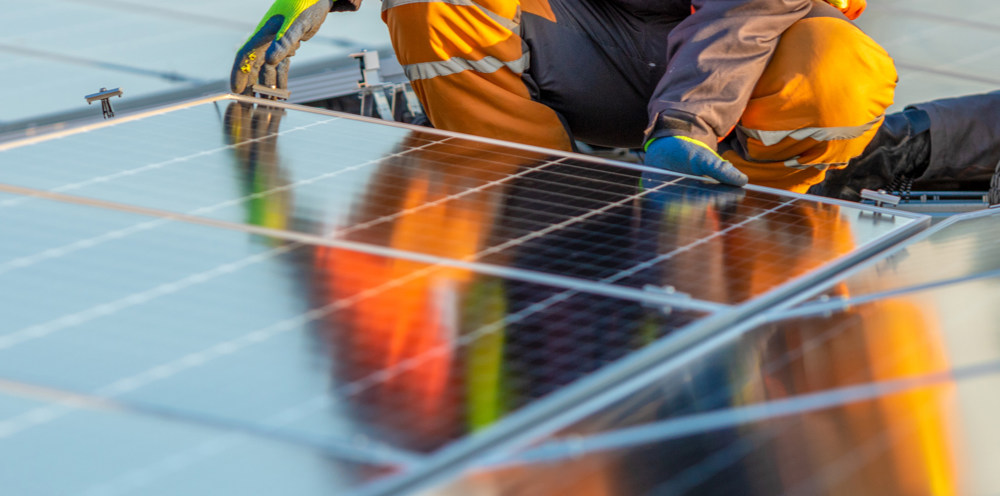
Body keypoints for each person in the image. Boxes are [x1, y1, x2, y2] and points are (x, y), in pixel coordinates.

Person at [230, 0, 895, 194]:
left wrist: (689, 122)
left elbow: (747, 14)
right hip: (591, 46)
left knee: (838, 70)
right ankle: (540, 197)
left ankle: (752, 212)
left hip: (740, 68)